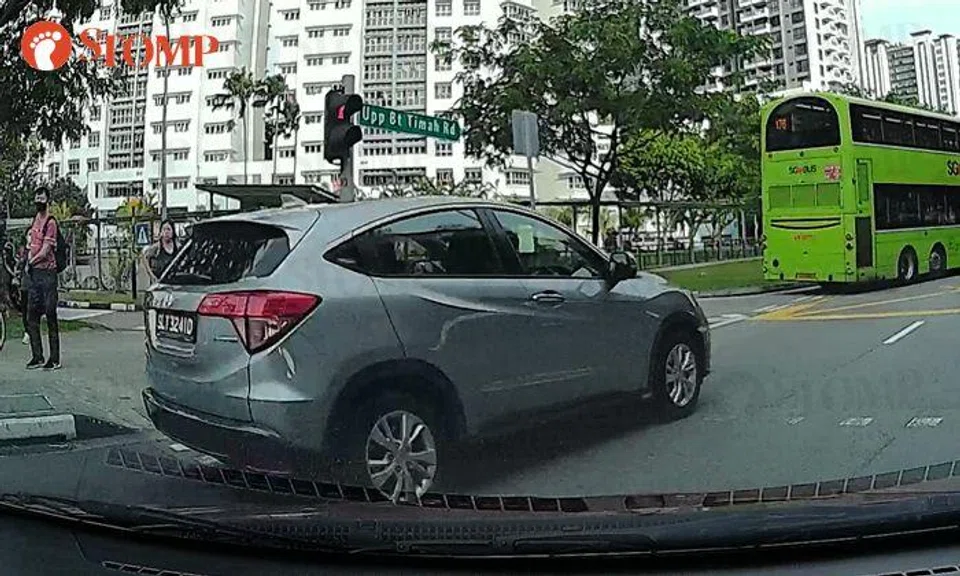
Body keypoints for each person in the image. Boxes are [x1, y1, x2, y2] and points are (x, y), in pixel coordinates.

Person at [25, 186, 60, 370]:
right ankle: (37, 356)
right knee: (32, 316)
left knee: (51, 314)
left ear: (47, 200)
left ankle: (54, 359)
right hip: (35, 274)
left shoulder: (51, 222)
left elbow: (46, 250)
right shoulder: (35, 220)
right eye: (36, 197)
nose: (39, 200)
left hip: (48, 273)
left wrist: (32, 260)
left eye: (42, 197)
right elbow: (31, 241)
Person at [141, 219, 179, 284]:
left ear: (173, 231)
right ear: (161, 232)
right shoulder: (157, 247)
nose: (166, 232)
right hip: (160, 282)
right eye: (164, 229)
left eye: (168, 229)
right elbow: (144, 257)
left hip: (174, 282)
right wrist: (152, 276)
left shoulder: (178, 246)